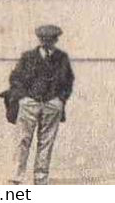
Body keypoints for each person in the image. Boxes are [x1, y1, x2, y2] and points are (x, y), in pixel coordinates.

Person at [6, 25, 75, 185]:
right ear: (39, 39)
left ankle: (41, 178)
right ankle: (16, 176)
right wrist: (23, 98)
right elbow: (15, 78)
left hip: (52, 105)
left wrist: (60, 100)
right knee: (23, 139)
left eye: (50, 40)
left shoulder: (62, 58)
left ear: (56, 40)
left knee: (46, 141)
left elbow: (68, 81)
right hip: (30, 103)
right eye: (43, 39)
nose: (46, 42)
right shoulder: (28, 57)